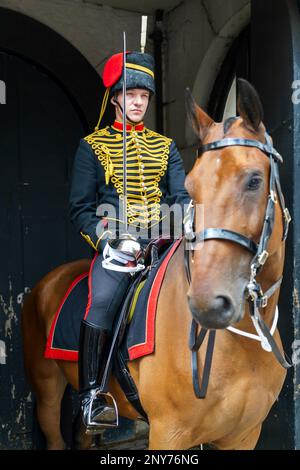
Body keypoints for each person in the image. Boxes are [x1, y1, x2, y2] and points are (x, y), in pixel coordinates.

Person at [69, 51, 190, 433]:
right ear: (116, 97)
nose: (139, 102)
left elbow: (181, 197)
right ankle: (91, 396)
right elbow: (82, 209)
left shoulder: (165, 146)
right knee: (103, 300)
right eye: (131, 94)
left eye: (144, 97)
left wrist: (177, 225)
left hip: (163, 241)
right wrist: (108, 243)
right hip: (116, 248)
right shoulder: (93, 146)